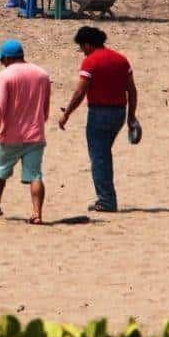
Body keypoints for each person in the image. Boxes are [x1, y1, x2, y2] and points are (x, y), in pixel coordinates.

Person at [58, 26, 137, 213]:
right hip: (119, 112)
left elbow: (80, 92)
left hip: (99, 113)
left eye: (82, 47)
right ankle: (106, 197)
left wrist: (67, 113)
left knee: (99, 157)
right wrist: (131, 116)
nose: (82, 51)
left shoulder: (90, 62)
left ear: (87, 44)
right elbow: (132, 90)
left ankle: (106, 200)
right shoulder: (121, 59)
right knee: (103, 154)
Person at [0, 39, 51, 224]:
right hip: (35, 134)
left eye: (2, 59)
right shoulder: (42, 74)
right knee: (36, 175)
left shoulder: (5, 76)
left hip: (11, 135)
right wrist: (39, 122)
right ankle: (37, 213)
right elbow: (45, 108)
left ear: (7, 58)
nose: (1, 63)